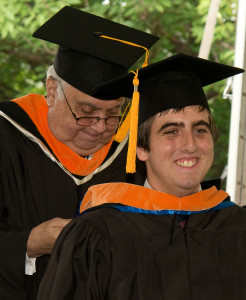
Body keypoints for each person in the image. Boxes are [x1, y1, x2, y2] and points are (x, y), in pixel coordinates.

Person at [37, 53, 246, 300]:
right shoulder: (96, 235)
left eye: (200, 129)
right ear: (141, 148)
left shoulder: (238, 227)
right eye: (171, 131)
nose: (190, 145)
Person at [0, 5, 158, 299]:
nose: (100, 127)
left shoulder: (131, 156)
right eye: (86, 112)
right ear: (51, 90)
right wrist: (30, 242)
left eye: (114, 114)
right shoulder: (7, 135)